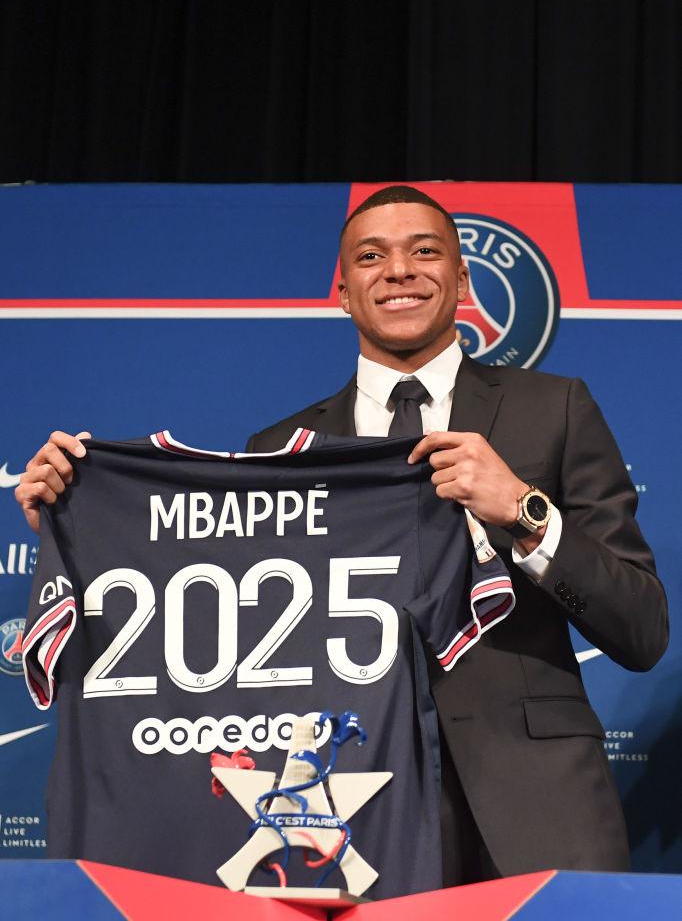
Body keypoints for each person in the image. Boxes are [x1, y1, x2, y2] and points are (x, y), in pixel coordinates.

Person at [16, 185, 668, 886]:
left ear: (461, 279)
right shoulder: (279, 449)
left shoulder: (554, 408)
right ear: (343, 291)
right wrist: (80, 529)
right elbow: (217, 633)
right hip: (349, 809)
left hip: (535, 801)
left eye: (424, 251)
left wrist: (522, 509)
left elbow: (641, 629)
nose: (399, 270)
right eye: (371, 256)